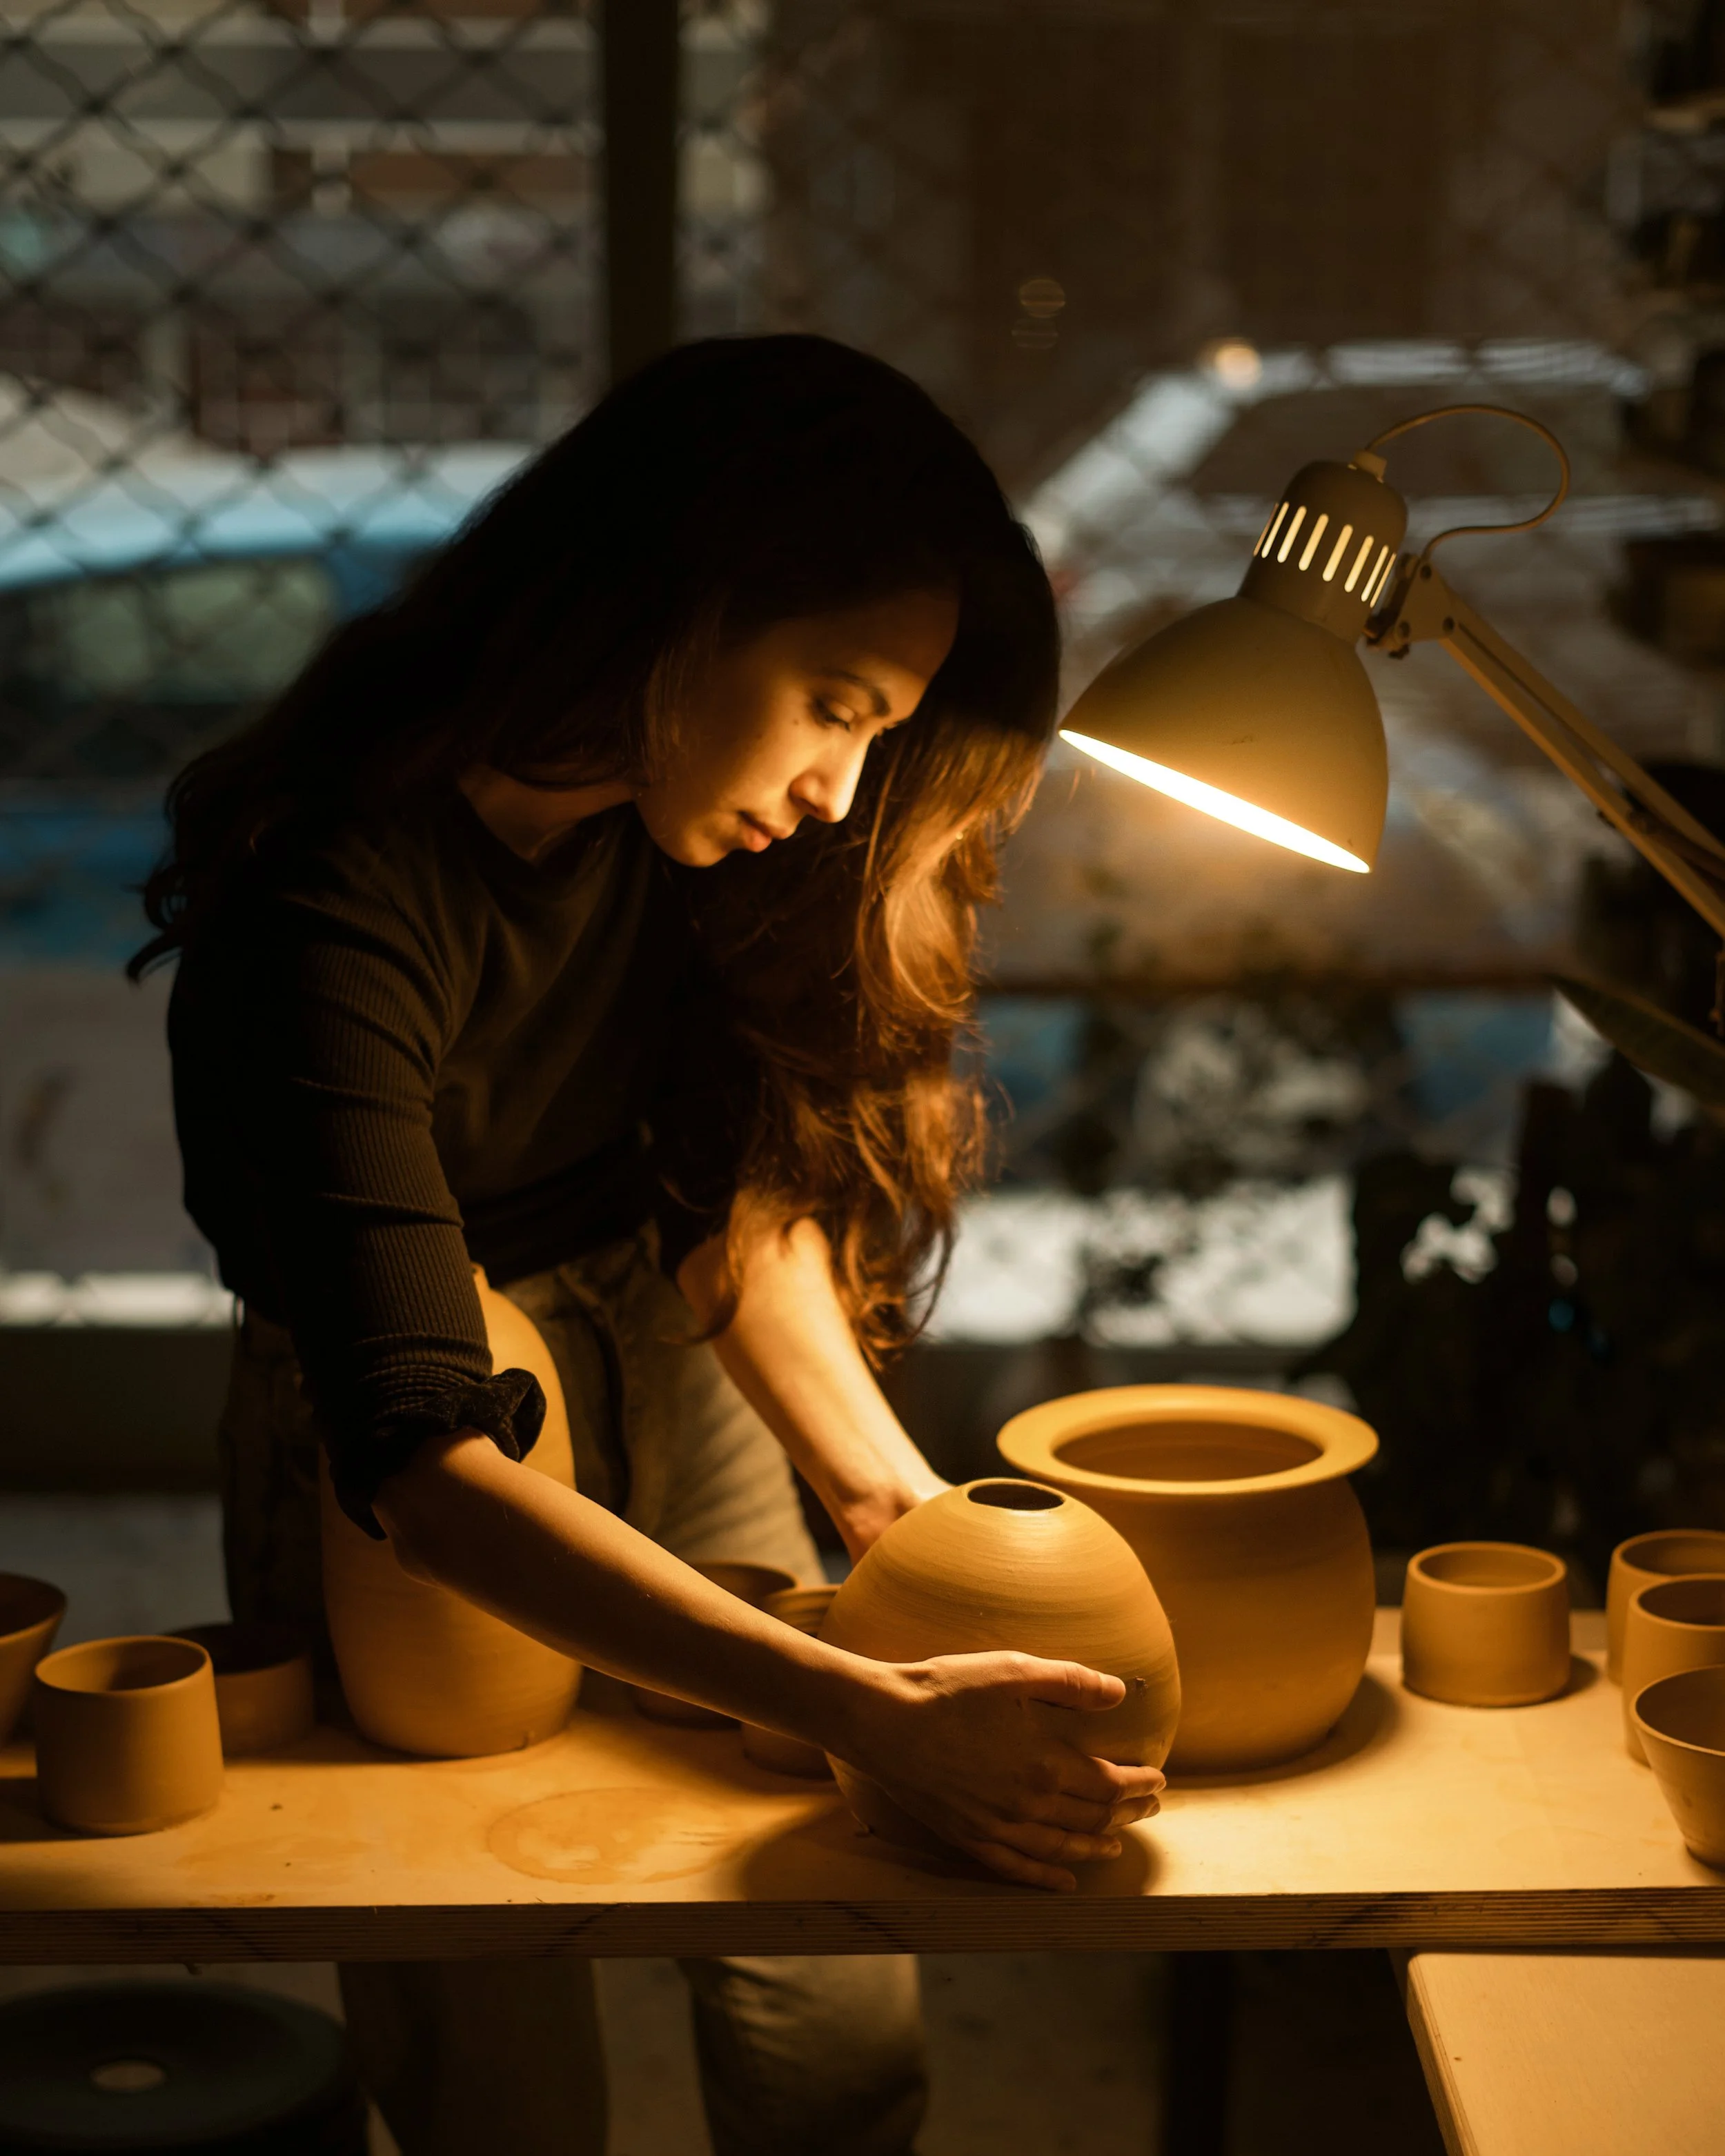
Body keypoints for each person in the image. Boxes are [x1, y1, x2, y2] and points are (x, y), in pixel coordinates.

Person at [135, 335, 1163, 2156]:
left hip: (652, 1311)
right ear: (677, 606)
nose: (848, 788)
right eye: (835, 702)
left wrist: (893, 1522)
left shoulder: (694, 825)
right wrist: (865, 1698)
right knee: (482, 1983)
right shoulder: (330, 905)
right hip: (405, 1406)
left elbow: (726, 1196)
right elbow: (423, 1460)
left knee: (835, 1958)